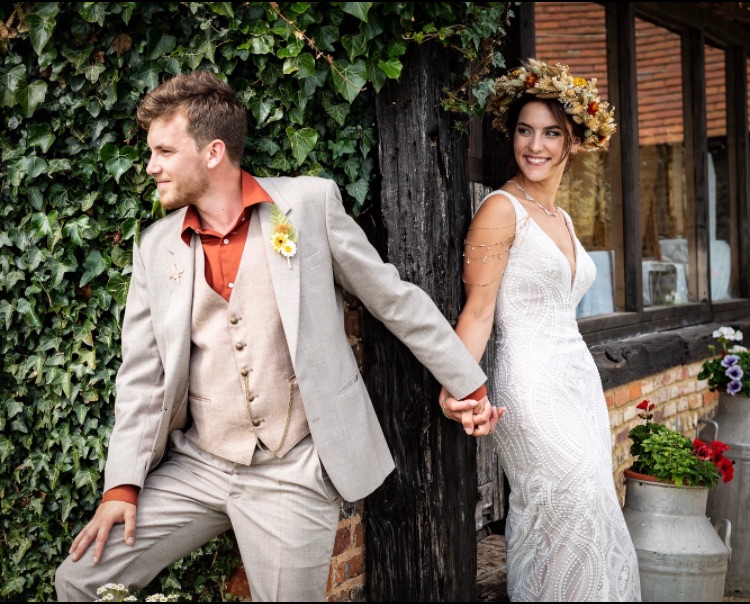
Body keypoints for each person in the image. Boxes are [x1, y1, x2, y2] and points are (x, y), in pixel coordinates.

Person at [55, 70, 502, 602]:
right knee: (79, 579)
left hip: (293, 466)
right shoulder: (156, 247)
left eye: (164, 151)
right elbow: (142, 378)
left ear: (213, 151)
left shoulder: (308, 206)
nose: (151, 166)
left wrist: (467, 383)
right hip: (198, 464)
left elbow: (392, 299)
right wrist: (121, 486)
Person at [450, 59, 641, 601]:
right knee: (570, 502)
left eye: (551, 132)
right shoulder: (500, 209)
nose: (535, 145)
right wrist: (459, 384)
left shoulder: (562, 217)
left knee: (594, 507)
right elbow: (478, 311)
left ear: (574, 142)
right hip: (528, 383)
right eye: (525, 130)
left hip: (576, 384)